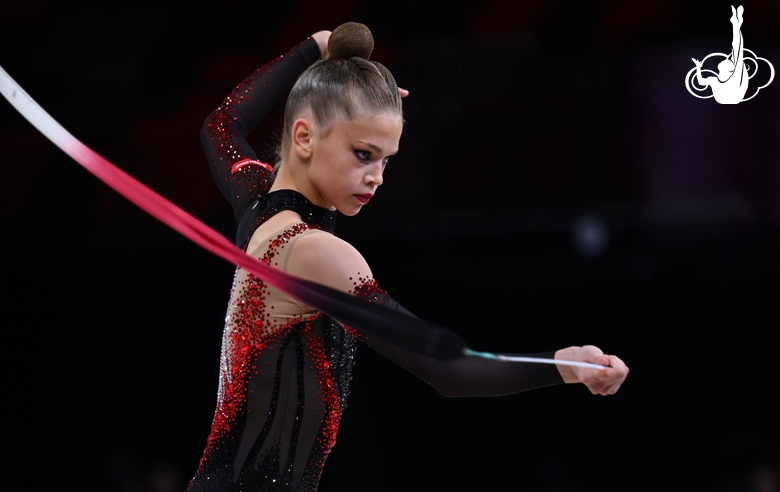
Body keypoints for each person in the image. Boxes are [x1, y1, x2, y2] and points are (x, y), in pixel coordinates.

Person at [187, 23, 629, 492]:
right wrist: (563, 364)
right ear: (303, 137)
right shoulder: (316, 252)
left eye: (386, 159)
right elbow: (446, 368)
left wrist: (312, 49)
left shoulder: (256, 207)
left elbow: (221, 124)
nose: (377, 177)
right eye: (363, 153)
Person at [692, 5, 748, 104]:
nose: (725, 59)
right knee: (736, 51)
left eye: (728, 61)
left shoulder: (732, 78)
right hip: (728, 98)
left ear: (729, 69)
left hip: (733, 96)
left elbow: (738, 49)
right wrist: (698, 67)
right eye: (729, 60)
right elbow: (701, 82)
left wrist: (698, 67)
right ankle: (736, 23)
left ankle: (736, 23)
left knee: (737, 50)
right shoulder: (715, 80)